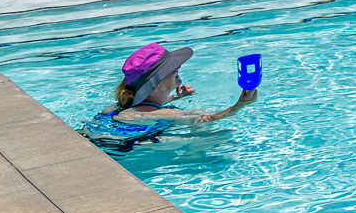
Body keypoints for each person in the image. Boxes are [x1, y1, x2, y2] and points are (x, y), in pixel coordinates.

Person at [83, 43, 257, 150]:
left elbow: (147, 108)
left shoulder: (117, 107)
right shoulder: (167, 114)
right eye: (170, 69)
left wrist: (174, 98)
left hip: (100, 143)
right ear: (156, 83)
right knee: (216, 136)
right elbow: (206, 119)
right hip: (118, 154)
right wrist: (239, 106)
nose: (177, 68)